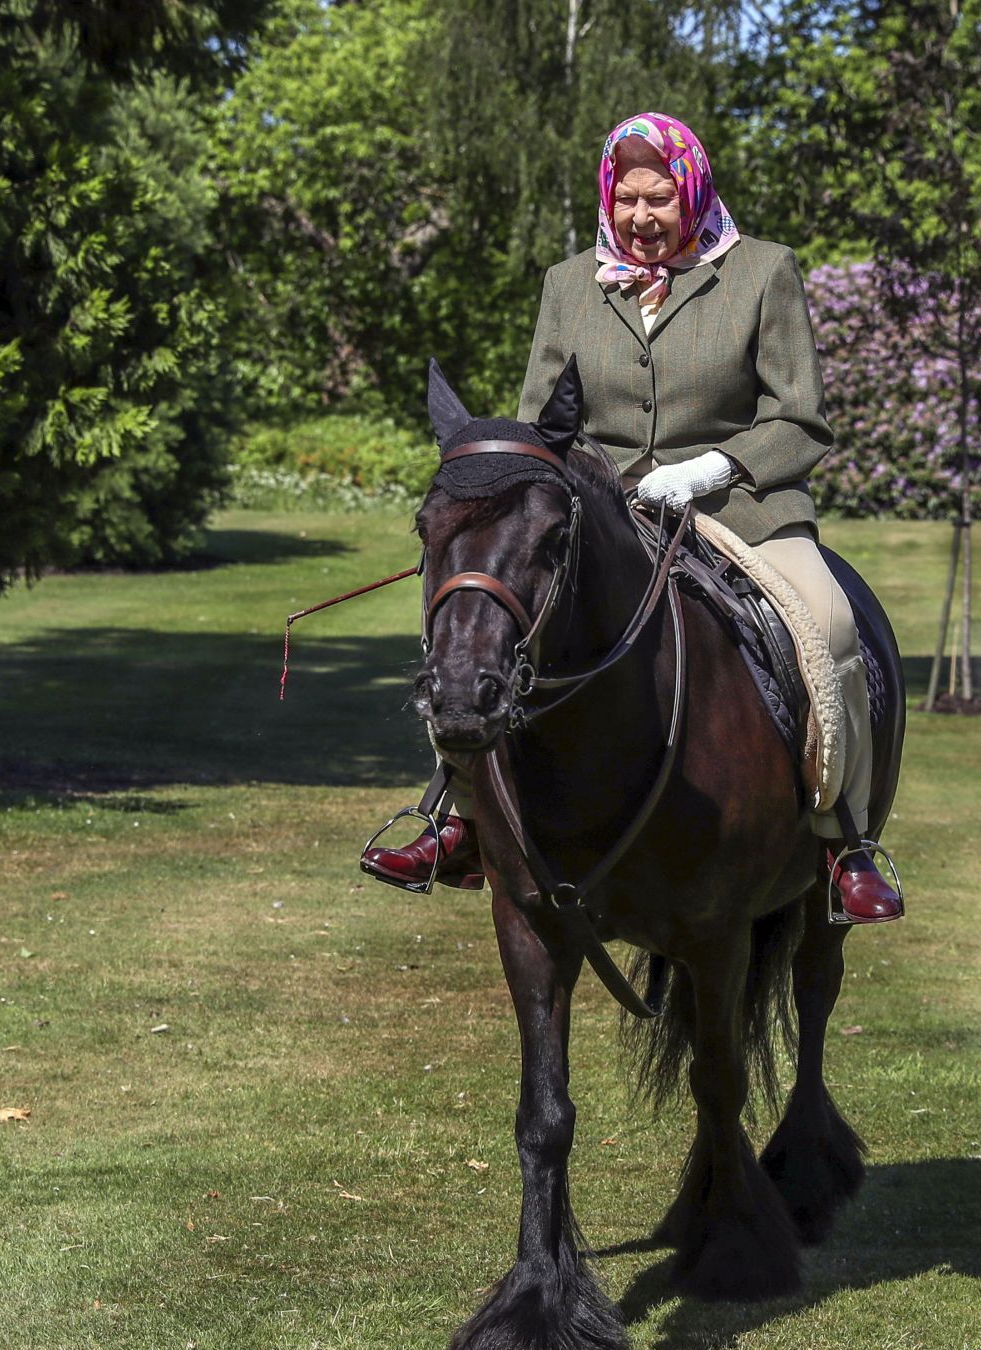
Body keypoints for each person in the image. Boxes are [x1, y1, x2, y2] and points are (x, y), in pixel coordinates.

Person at [362, 113, 901, 922]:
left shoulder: (762, 273)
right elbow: (541, 423)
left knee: (829, 622)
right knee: (487, 619)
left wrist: (713, 469)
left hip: (740, 506)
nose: (643, 218)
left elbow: (801, 419)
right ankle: (461, 817)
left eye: (660, 199)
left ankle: (842, 838)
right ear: (608, 199)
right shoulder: (568, 282)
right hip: (601, 510)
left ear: (692, 191)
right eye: (628, 200)